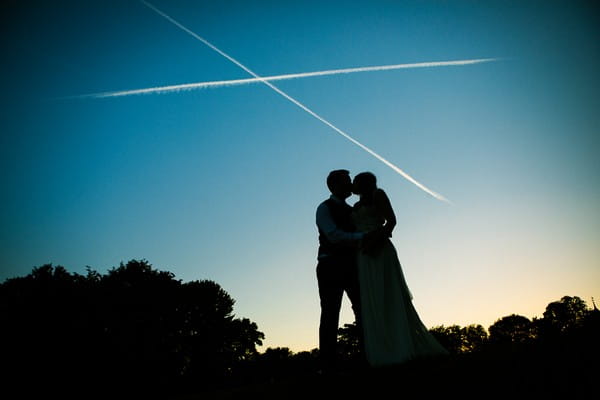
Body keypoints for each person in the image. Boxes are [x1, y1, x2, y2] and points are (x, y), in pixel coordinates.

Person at [351, 172, 448, 367]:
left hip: (381, 250)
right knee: (373, 299)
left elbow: (392, 221)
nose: (353, 184)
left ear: (363, 183)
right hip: (364, 255)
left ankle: (401, 347)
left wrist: (377, 239)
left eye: (356, 181)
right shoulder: (355, 206)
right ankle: (382, 349)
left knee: (389, 295)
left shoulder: (378, 195)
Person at [315, 169, 368, 374]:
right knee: (330, 313)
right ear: (334, 185)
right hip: (330, 266)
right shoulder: (324, 208)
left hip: (352, 265)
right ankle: (328, 364)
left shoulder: (352, 209)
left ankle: (367, 355)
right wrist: (362, 237)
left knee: (362, 310)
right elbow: (333, 235)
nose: (350, 185)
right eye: (346, 181)